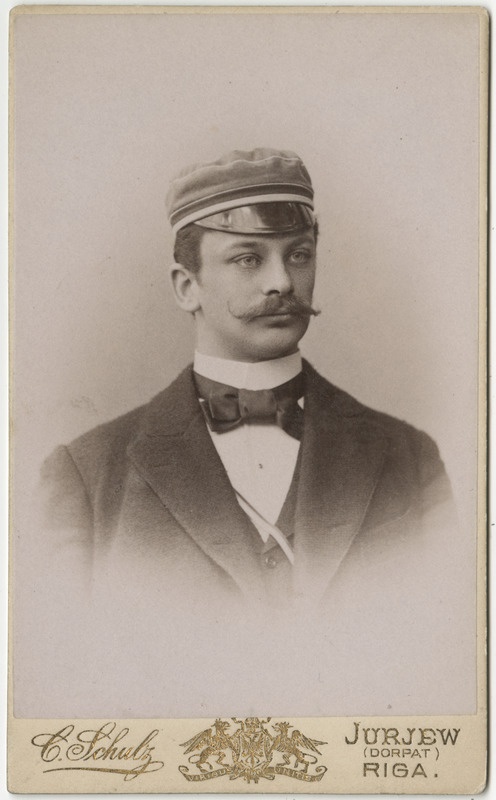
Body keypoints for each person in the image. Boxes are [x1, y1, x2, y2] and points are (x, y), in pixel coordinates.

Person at [30, 148, 473, 718]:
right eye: (247, 259)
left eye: (299, 255)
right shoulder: (84, 475)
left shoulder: (410, 458)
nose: (282, 282)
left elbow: (446, 663)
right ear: (186, 287)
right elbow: (60, 685)